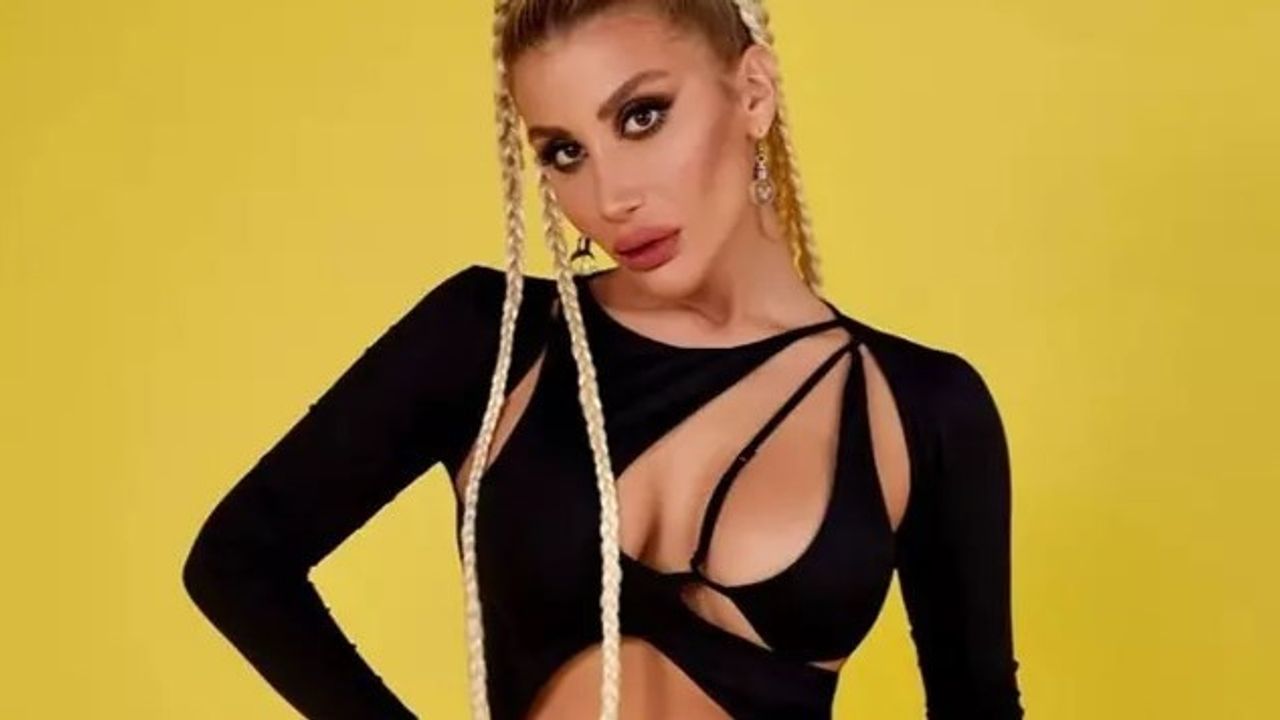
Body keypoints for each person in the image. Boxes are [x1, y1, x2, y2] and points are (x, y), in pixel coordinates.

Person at [181, 0, 1025, 718]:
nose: (611, 197)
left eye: (642, 117)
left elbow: (977, 705)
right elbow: (239, 561)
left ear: (753, 92)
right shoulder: (491, 340)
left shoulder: (918, 405)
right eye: (565, 152)